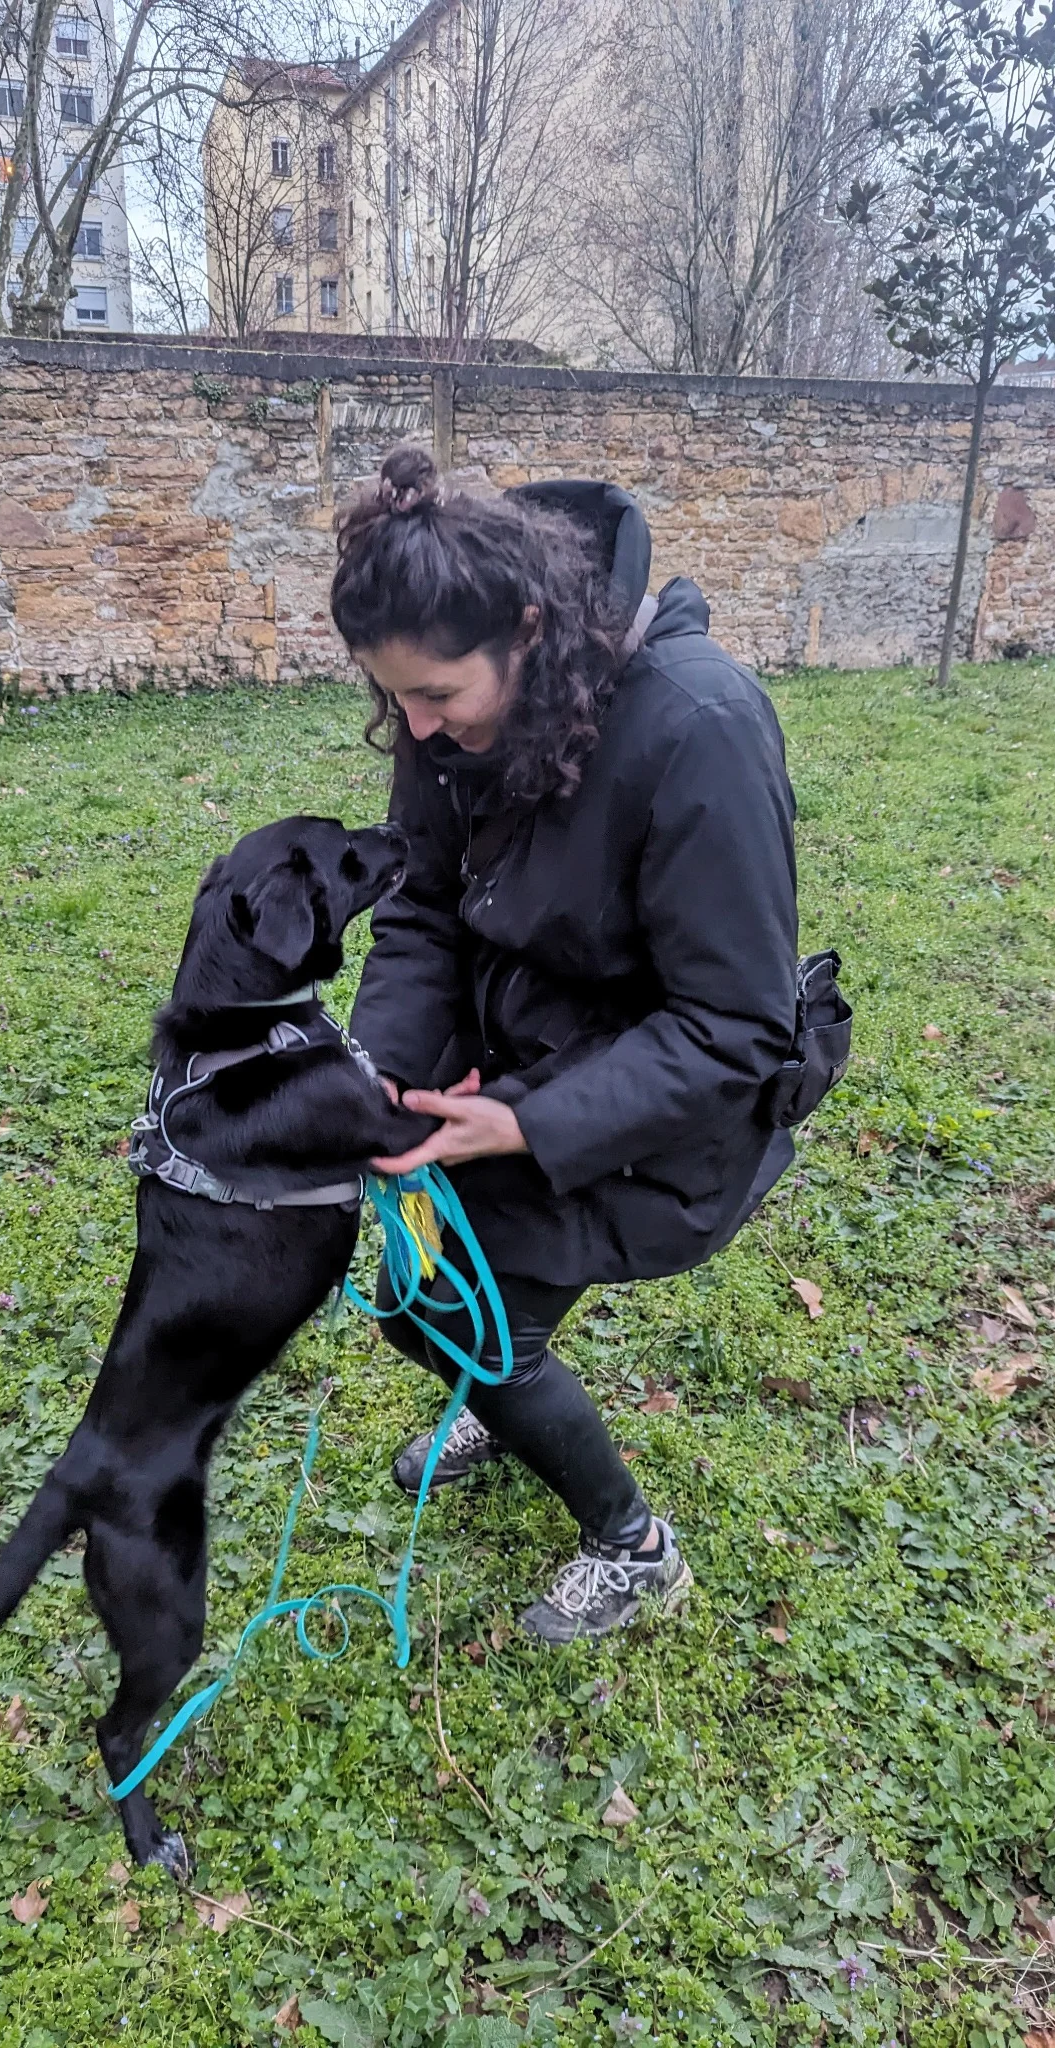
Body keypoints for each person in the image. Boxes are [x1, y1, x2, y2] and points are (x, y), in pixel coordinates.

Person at [333, 445, 800, 1643]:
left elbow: (737, 1026)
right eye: (398, 700)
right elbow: (425, 905)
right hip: (514, 1064)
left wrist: (530, 1123)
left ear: (529, 630)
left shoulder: (700, 726)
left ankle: (635, 1545)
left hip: (669, 1111)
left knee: (445, 1313)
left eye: (439, 696)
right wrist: (378, 1066)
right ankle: (506, 1392)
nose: (420, 729)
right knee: (435, 1296)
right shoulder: (446, 726)